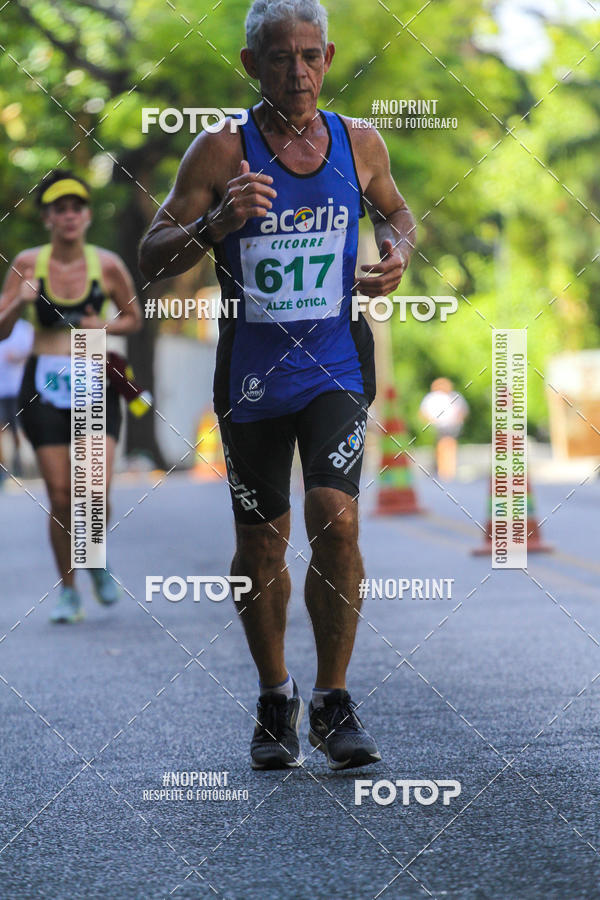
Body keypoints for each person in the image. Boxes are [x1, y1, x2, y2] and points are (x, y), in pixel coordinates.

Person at [139, 0, 415, 770]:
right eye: (278, 57)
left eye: (309, 56)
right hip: (253, 374)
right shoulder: (220, 150)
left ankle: (332, 698)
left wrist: (395, 251)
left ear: (327, 56)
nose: (296, 72)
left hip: (336, 362)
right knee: (263, 542)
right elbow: (152, 255)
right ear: (249, 63)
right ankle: (274, 698)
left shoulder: (358, 142)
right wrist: (215, 225)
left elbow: (396, 213)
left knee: (338, 520)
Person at [0, 170, 143, 622]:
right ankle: (68, 591)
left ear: (86, 216)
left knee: (93, 490)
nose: (69, 216)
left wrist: (102, 326)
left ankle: (95, 558)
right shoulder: (27, 262)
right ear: (47, 217)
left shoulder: (107, 265)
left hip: (95, 378)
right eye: (59, 208)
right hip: (42, 383)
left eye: (77, 207)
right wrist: (16, 303)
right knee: (62, 495)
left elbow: (133, 318)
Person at [0, 317, 34, 483]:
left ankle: (19, 464)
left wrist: (18, 356)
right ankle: (3, 468)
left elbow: (32, 352)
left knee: (17, 430)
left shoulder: (23, 327)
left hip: (16, 388)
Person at [419, 378, 468, 480]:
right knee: (442, 446)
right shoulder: (432, 397)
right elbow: (423, 412)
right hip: (438, 426)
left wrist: (458, 420)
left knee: (449, 444)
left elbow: (463, 411)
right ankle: (443, 469)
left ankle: (448, 469)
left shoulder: (454, 396)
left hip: (452, 425)